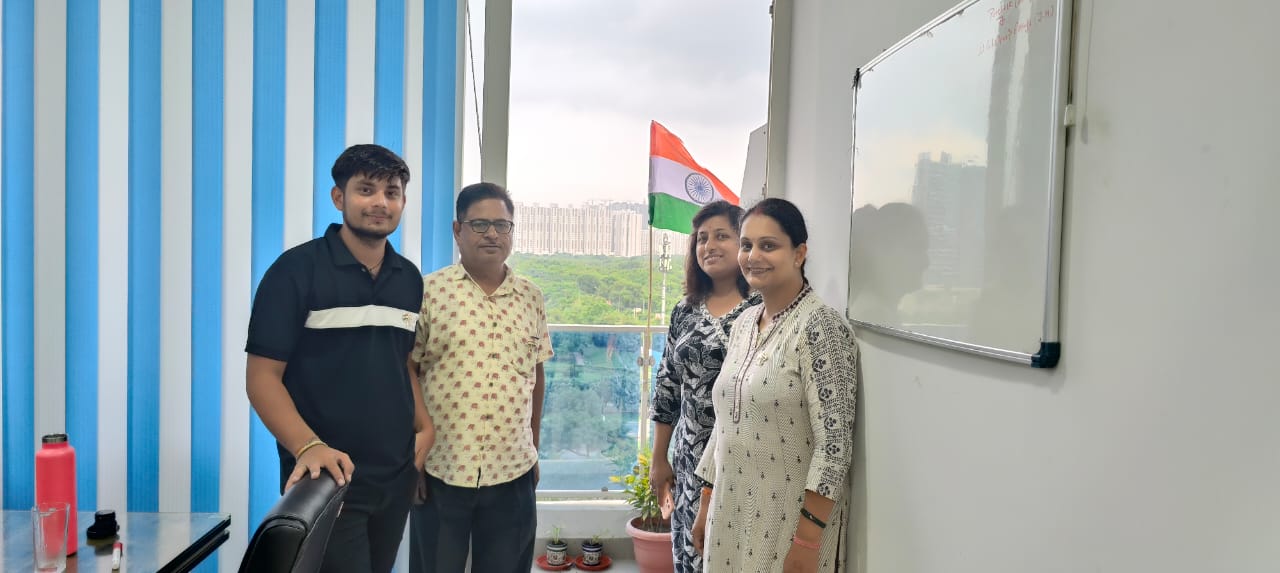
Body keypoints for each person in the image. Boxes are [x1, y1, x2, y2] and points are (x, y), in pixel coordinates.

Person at [245, 144, 434, 573]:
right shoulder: (294, 271)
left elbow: (401, 362)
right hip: (329, 478)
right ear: (338, 197)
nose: (380, 202)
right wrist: (308, 446)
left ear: (403, 202)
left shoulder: (408, 279)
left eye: (392, 192)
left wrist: (425, 426)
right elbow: (262, 378)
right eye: (366, 190)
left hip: (394, 474)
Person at [692, 198, 860, 573]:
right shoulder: (744, 322)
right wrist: (706, 503)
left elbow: (834, 447)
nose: (753, 256)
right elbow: (725, 423)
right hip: (730, 511)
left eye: (768, 245)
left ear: (799, 253)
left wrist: (807, 542)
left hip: (788, 525)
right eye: (747, 245)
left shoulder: (821, 327)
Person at [409, 182, 553, 573]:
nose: (492, 234)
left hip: (513, 470)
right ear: (457, 230)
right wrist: (414, 454)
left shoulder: (531, 297)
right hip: (442, 468)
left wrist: (533, 446)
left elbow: (536, 375)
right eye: (479, 224)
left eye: (502, 225)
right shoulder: (428, 292)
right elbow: (408, 370)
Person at [649, 200, 761, 573]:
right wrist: (659, 458)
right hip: (688, 460)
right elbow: (667, 385)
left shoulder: (762, 308)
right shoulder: (685, 309)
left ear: (743, 243)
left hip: (741, 461)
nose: (709, 246)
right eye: (701, 238)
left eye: (721, 236)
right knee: (689, 556)